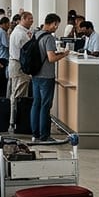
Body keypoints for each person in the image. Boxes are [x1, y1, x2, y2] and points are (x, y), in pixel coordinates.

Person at [30, 14, 70, 142]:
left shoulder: (36, 34)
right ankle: (44, 135)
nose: (57, 27)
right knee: (45, 105)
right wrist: (64, 54)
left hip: (35, 74)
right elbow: (51, 58)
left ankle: (35, 133)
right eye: (56, 25)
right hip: (46, 76)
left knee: (36, 104)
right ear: (52, 23)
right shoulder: (49, 38)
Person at [7, 12, 34, 107]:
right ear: (23, 19)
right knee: (19, 94)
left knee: (16, 91)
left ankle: (14, 118)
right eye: (29, 19)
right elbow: (28, 52)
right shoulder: (21, 34)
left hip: (16, 64)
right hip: (19, 66)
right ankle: (17, 118)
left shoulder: (21, 32)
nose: (32, 21)